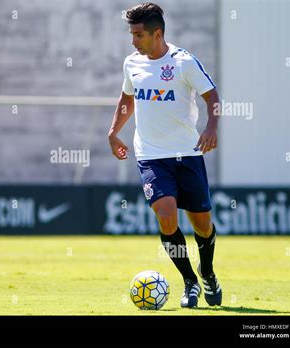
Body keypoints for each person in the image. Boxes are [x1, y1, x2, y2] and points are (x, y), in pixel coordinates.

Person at [108, 2, 222, 308]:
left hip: (188, 153)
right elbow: (126, 99)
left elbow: (212, 96)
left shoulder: (184, 62)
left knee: (202, 225)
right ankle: (190, 282)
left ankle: (208, 272)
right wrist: (113, 131)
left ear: (157, 34)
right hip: (151, 156)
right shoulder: (132, 63)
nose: (133, 40)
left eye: (138, 34)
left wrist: (212, 127)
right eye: (132, 34)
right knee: (167, 217)